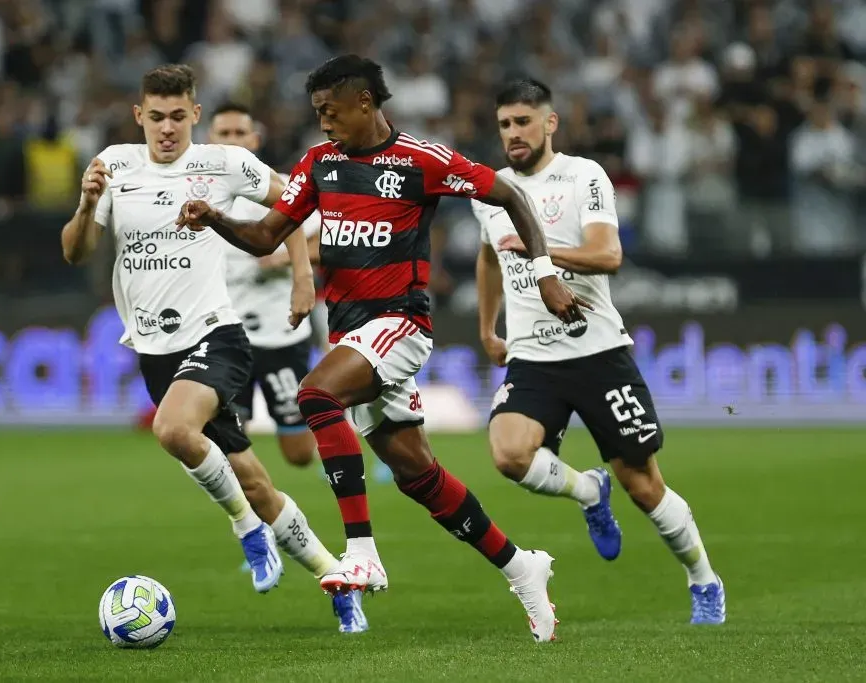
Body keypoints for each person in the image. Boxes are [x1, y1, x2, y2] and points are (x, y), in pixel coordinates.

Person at [179, 55, 590, 643]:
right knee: (417, 473)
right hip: (353, 336)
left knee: (315, 395)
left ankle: (362, 552)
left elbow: (510, 197)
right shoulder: (320, 165)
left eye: (331, 111)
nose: (323, 124)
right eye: (317, 112)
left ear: (366, 103)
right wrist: (214, 217)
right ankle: (522, 566)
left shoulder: (422, 161)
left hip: (400, 324)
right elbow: (267, 235)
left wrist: (546, 272)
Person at [60, 64, 367, 633]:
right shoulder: (115, 165)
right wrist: (84, 206)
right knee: (255, 480)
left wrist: (303, 275)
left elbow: (298, 202)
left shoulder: (223, 164)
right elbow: (76, 252)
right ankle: (337, 581)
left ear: (195, 115)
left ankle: (247, 530)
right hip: (155, 351)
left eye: (179, 116)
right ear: (139, 117)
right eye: (157, 117)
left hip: (217, 335)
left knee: (174, 430)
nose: (168, 128)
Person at [472, 79, 725, 625]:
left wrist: (541, 253)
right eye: (504, 125)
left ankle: (703, 578)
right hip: (533, 358)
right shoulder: (490, 191)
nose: (512, 134)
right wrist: (488, 328)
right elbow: (489, 258)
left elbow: (608, 255)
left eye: (522, 121)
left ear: (550, 122)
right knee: (509, 454)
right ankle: (589, 489)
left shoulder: (583, 175)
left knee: (643, 483)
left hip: (597, 350)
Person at [207, 102, 321, 468]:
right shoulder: (198, 193)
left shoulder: (283, 188)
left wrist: (287, 256)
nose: (233, 140)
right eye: (224, 133)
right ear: (210, 140)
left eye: (240, 133)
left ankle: (338, 439)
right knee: (228, 443)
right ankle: (254, 509)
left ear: (255, 139)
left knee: (299, 454)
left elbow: (330, 237)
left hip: (280, 334)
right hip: (226, 334)